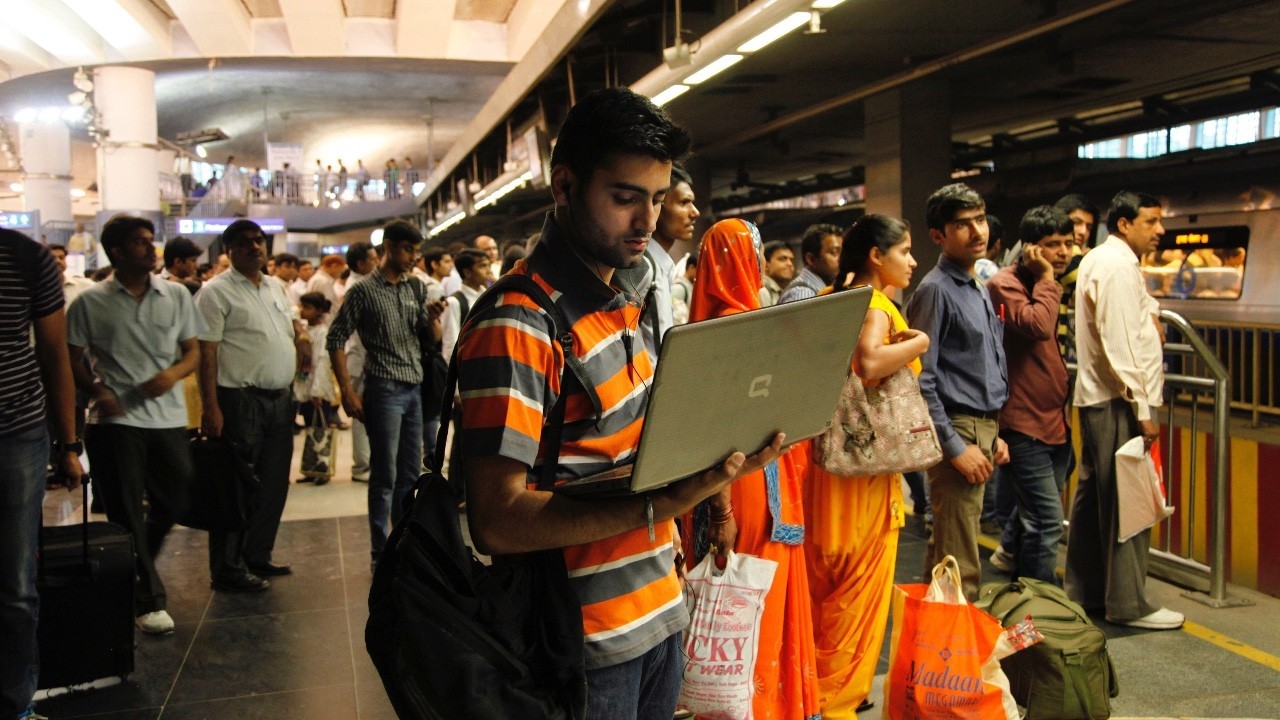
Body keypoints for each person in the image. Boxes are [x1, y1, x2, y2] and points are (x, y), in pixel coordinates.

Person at [454, 87, 782, 719]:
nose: (647, 221)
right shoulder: (520, 322)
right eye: (625, 198)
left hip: (660, 610)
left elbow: (633, 451)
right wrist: (663, 504)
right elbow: (497, 520)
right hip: (582, 642)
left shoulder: (627, 301)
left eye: (657, 199)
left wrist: (713, 476)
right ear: (564, 186)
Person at [685, 218, 822, 720]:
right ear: (745, 260)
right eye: (757, 252)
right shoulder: (743, 329)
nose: (763, 264)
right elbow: (727, 431)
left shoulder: (701, 328)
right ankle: (762, 706)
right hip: (751, 491)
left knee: (743, 599)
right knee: (756, 597)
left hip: (739, 488)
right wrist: (723, 512)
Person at [806, 214, 928, 718]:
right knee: (855, 589)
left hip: (825, 465)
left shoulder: (827, 298)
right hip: (864, 474)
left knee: (821, 586)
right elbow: (870, 362)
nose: (912, 261)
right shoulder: (875, 304)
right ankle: (835, 701)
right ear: (876, 256)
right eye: (904, 251)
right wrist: (919, 343)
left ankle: (811, 691)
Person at [66, 215, 201, 635]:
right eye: (140, 242)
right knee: (125, 510)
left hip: (168, 418)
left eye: (150, 240)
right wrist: (95, 389)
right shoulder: (90, 302)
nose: (150, 248)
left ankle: (137, 566)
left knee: (176, 498)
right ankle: (149, 600)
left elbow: (193, 351)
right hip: (116, 420)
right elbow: (70, 359)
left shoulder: (175, 295)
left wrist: (172, 374)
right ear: (117, 251)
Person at [1067, 191, 1184, 630]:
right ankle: (1129, 604)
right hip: (1119, 400)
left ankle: (1087, 592)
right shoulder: (1116, 267)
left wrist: (1151, 310)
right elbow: (1119, 342)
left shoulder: (1105, 260)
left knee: (1095, 501)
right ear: (1124, 224)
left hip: (1103, 396)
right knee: (1127, 503)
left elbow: (1128, 318)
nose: (1160, 230)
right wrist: (1142, 405)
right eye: (1151, 221)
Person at [905, 182, 1010, 599]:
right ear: (938, 235)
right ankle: (957, 638)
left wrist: (993, 432)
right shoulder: (936, 289)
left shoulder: (975, 284)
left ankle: (934, 637)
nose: (978, 231)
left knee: (948, 550)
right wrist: (955, 447)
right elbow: (922, 378)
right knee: (960, 561)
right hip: (957, 429)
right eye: (963, 224)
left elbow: (981, 366)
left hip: (979, 428)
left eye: (980, 219)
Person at [0, 228, 84, 720]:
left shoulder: (25, 257)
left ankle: (16, 703)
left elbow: (55, 354)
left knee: (15, 582)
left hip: (15, 431)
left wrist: (68, 445)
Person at [194, 220, 303, 591]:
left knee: (273, 483)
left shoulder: (275, 286)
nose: (255, 247)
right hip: (240, 399)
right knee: (235, 487)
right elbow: (206, 353)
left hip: (280, 398)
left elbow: (288, 329)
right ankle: (228, 567)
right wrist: (210, 407)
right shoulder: (215, 292)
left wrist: (301, 338)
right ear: (229, 251)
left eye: (259, 241)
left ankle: (258, 554)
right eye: (244, 243)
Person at [328, 221, 441, 566]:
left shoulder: (416, 287)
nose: (413, 257)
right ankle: (380, 547)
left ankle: (403, 542)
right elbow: (335, 337)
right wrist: (347, 391)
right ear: (388, 247)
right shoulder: (362, 291)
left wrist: (433, 319)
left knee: (409, 473)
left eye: (416, 251)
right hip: (383, 388)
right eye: (407, 249)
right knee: (384, 475)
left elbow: (429, 339)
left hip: (413, 386)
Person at [985, 206, 1073, 583]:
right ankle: (1039, 600)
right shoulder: (1004, 284)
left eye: (1068, 243)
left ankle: (1020, 584)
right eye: (1053, 244)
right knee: (1047, 522)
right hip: (1024, 424)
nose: (1063, 252)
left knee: (1033, 515)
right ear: (1031, 249)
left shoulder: (1040, 283)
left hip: (1055, 421)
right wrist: (1047, 278)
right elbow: (1038, 326)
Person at [643, 164, 699, 357]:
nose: (695, 212)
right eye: (684, 203)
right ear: (656, 204)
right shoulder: (644, 268)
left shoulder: (661, 266)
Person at [342, 242, 379, 482]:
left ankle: (368, 462)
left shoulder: (365, 283)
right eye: (373, 259)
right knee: (360, 414)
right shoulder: (356, 287)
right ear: (360, 263)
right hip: (359, 358)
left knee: (369, 414)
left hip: (366, 359)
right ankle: (361, 466)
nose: (377, 263)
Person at [295, 292, 340, 483]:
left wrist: (317, 391)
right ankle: (311, 467)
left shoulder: (323, 332)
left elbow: (322, 362)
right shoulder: (304, 330)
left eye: (308, 307)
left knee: (321, 428)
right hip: (305, 386)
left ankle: (323, 467)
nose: (303, 311)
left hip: (318, 389)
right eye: (302, 306)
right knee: (310, 427)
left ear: (319, 310)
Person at [779, 223, 841, 304]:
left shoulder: (816, 290)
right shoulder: (804, 293)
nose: (842, 258)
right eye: (834, 252)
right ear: (811, 259)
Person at [759, 240, 794, 307]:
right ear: (766, 265)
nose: (790, 264)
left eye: (791, 260)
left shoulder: (779, 289)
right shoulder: (762, 290)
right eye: (783, 259)